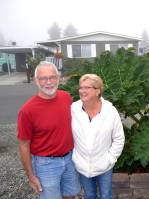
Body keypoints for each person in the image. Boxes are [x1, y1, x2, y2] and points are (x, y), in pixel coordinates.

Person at [17, 61, 81, 199]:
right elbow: (23, 145)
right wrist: (30, 175)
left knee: (69, 195)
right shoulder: (27, 110)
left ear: (59, 78)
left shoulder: (66, 97)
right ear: (35, 80)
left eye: (52, 77)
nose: (49, 82)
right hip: (46, 164)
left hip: (70, 158)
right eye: (43, 78)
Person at [71, 74, 125, 199]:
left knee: (106, 196)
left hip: (104, 165)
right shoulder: (73, 109)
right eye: (81, 88)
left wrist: (110, 159)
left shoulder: (110, 112)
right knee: (89, 196)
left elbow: (119, 138)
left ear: (98, 91)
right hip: (82, 165)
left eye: (87, 87)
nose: (82, 91)